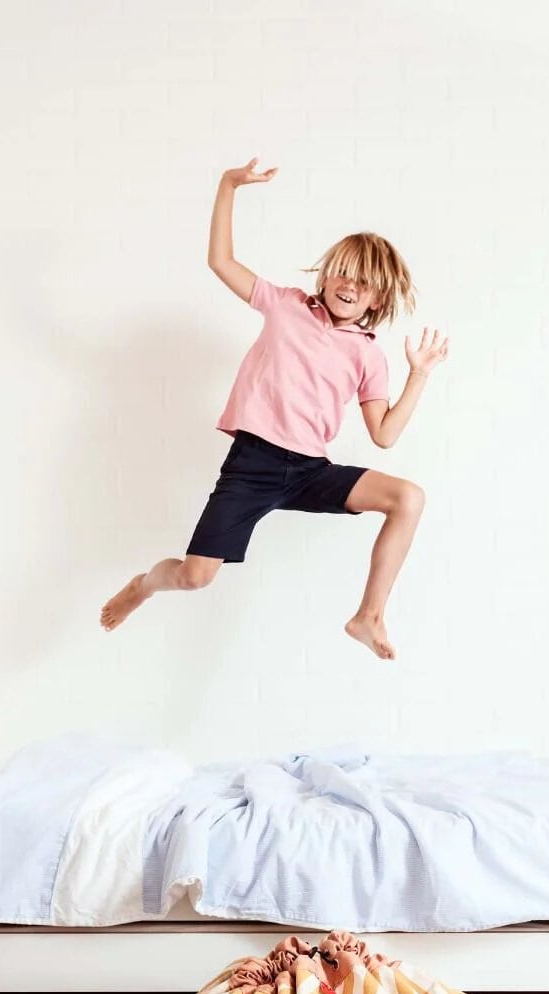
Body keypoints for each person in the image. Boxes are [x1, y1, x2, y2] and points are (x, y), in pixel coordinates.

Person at [100, 157, 448, 659]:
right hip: (253, 465)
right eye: (343, 274)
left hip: (309, 470)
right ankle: (144, 585)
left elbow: (385, 434)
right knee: (195, 577)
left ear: (377, 298)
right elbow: (221, 262)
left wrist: (419, 373)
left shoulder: (369, 354)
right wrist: (228, 186)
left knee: (408, 498)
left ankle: (369, 615)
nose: (350, 286)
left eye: (364, 283)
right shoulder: (286, 306)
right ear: (327, 276)